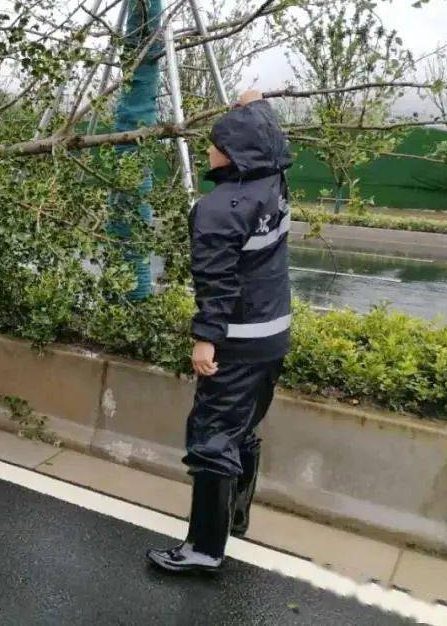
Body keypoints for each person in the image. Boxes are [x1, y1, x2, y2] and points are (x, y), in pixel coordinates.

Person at [147, 90, 292, 574]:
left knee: (212, 436)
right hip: (273, 336)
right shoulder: (274, 183)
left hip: (238, 339)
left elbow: (216, 283)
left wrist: (206, 338)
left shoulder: (217, 210)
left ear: (231, 155)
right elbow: (269, 137)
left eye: (215, 144)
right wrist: (257, 104)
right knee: (243, 427)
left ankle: (204, 549)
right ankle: (236, 517)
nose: (209, 151)